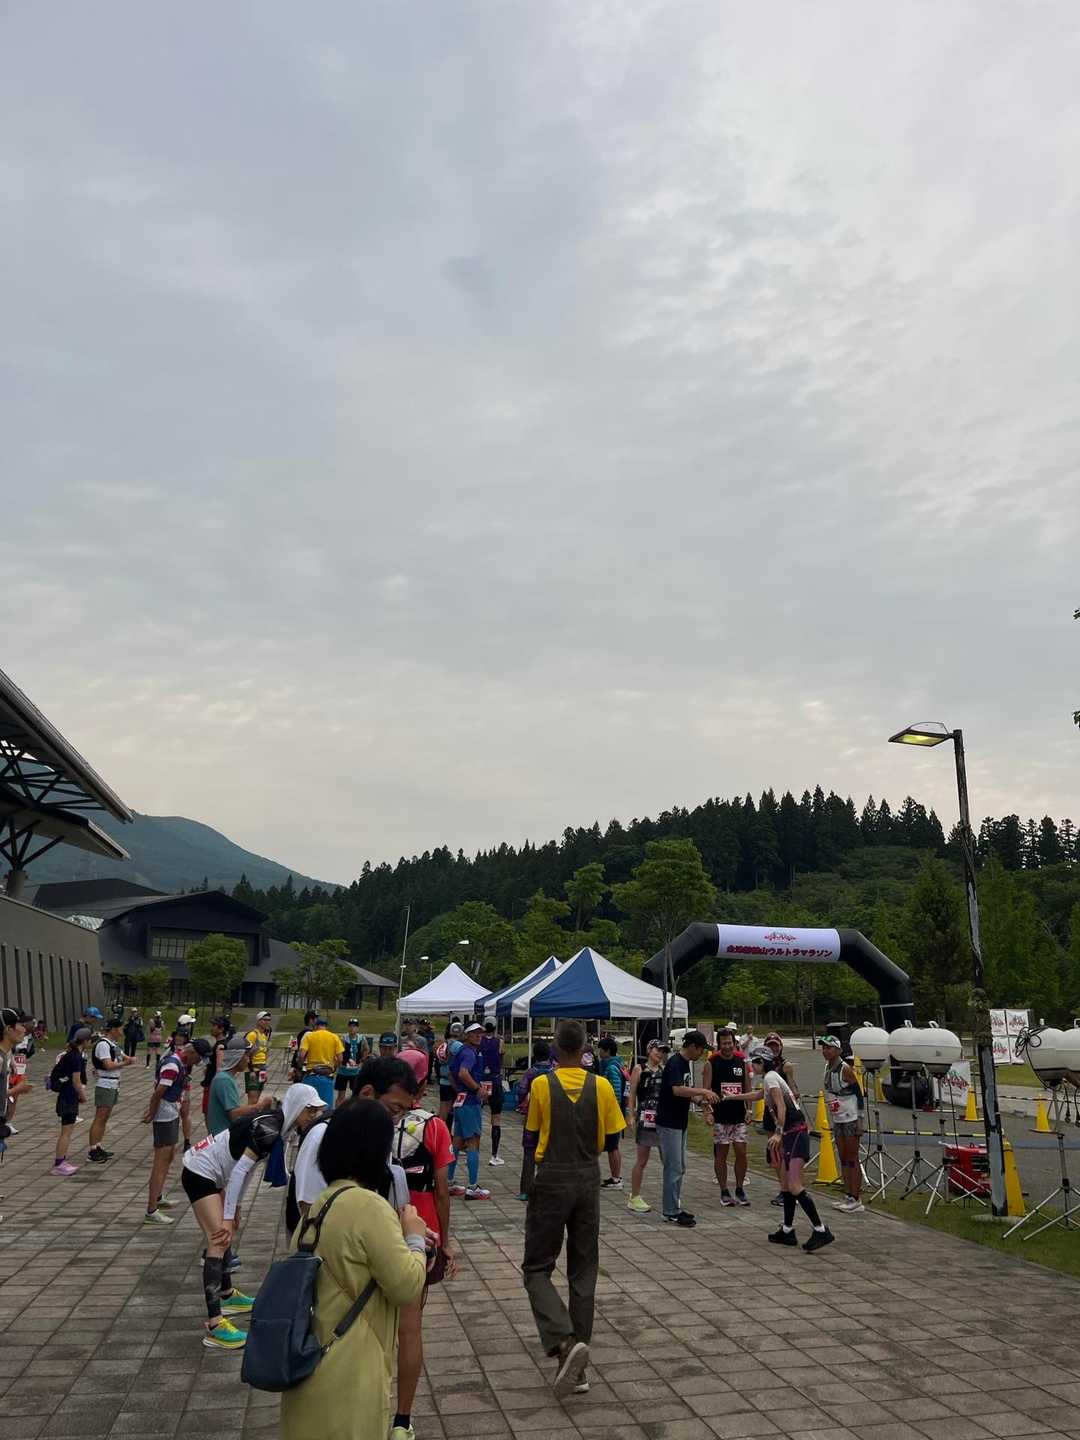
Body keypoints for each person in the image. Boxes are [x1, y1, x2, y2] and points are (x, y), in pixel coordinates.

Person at [279, 1101, 429, 1440]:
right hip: (350, 1373)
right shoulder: (368, 1205)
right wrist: (415, 1238)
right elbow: (406, 1285)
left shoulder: (319, 1206)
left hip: (307, 1366)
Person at [522, 1019, 625, 1397]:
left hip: (551, 1177)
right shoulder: (601, 1086)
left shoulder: (541, 1084)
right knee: (583, 1271)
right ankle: (578, 1369)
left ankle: (564, 1340)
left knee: (536, 1267)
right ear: (584, 1048)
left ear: (555, 1047)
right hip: (587, 1178)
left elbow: (532, 1134)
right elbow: (613, 1138)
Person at [182, 1083, 315, 1348]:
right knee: (219, 1238)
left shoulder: (278, 1125)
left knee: (226, 1231)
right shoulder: (269, 1129)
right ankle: (215, 1325)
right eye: (310, 1110)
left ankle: (227, 1294)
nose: (313, 1116)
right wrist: (228, 1215)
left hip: (212, 1172)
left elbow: (248, 1168)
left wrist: (236, 1206)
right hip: (200, 1173)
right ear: (298, 1107)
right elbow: (241, 1171)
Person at [389, 1047, 457, 1440]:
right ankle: (402, 1419)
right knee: (410, 1330)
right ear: (424, 1083)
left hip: (380, 1224)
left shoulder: (374, 1119)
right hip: (422, 1230)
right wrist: (446, 1241)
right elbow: (443, 1190)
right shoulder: (434, 1126)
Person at [291, 1057, 420, 1229]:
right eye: (393, 1110)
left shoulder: (378, 1136)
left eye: (402, 1114)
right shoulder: (323, 1135)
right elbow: (310, 1209)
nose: (396, 1121)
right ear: (367, 1093)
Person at [741, 1048, 834, 1252]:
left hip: (795, 1133)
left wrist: (778, 1132)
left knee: (794, 1185)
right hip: (793, 1134)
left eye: (754, 1062)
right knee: (786, 1186)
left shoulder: (771, 1078)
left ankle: (820, 1229)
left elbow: (781, 1106)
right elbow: (758, 1095)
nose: (751, 1066)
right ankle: (787, 1230)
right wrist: (733, 1097)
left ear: (762, 1062)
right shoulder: (771, 1077)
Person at [142, 1036, 211, 1224]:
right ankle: (151, 1211)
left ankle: (157, 1197)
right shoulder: (173, 1065)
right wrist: (152, 1112)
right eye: (199, 1058)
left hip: (171, 1111)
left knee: (169, 1156)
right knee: (161, 1162)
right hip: (164, 1114)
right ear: (192, 1052)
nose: (198, 1063)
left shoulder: (180, 1063)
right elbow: (158, 1092)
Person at [655, 1030, 718, 1227]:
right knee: (673, 1167)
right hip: (669, 1122)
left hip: (680, 1122)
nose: (702, 1054)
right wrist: (703, 1091)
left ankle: (675, 1206)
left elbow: (684, 1092)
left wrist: (699, 1101)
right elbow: (676, 1089)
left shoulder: (685, 1064)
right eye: (700, 1050)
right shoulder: (675, 1062)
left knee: (680, 1166)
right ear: (692, 1046)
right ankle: (671, 1211)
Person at [703, 1028, 752, 1206]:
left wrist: (749, 1109)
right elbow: (706, 1090)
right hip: (720, 1116)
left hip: (739, 1115)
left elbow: (747, 1087)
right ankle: (724, 1190)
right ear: (719, 1045)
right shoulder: (711, 1063)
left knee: (741, 1151)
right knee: (721, 1153)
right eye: (724, 1043)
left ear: (734, 1043)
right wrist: (708, 1112)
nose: (727, 1047)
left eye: (730, 1043)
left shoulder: (741, 1061)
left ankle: (740, 1188)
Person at [820, 1034, 865, 1214]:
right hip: (838, 1118)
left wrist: (860, 1120)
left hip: (851, 1117)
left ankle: (856, 1197)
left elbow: (859, 1093)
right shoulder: (827, 1067)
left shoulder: (845, 1069)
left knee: (852, 1157)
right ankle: (848, 1195)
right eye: (823, 1048)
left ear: (838, 1050)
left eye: (829, 1048)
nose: (825, 1051)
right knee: (843, 1157)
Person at [447, 1021, 490, 1200]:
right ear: (466, 1035)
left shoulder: (461, 1051)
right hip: (470, 1102)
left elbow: (451, 1073)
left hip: (461, 1101)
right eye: (474, 1032)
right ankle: (472, 1187)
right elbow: (463, 1073)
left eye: (480, 1032)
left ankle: (449, 1181)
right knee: (473, 1141)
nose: (479, 1035)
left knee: (457, 1142)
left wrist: (459, 1090)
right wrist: (477, 1089)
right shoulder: (470, 1053)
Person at [625, 1039, 668, 1214]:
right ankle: (634, 1196)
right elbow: (632, 1093)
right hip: (645, 1116)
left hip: (662, 1117)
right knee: (642, 1159)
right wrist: (631, 1114)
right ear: (649, 1050)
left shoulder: (665, 1070)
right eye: (658, 1050)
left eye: (663, 1051)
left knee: (667, 1159)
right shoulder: (639, 1069)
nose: (660, 1054)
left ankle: (670, 1195)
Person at [87, 1016, 135, 1162]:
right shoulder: (103, 1044)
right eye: (120, 1028)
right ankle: (92, 1150)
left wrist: (128, 1060)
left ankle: (98, 1146)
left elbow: (124, 1057)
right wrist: (126, 1063)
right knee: (100, 1118)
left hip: (113, 1083)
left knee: (105, 1118)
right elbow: (108, 1065)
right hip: (105, 1083)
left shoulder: (113, 1044)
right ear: (113, 1029)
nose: (122, 1031)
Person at [208, 1035, 276, 1134]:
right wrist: (261, 1105)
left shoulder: (226, 1077)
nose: (248, 1060)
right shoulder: (224, 1080)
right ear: (237, 1056)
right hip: (223, 1138)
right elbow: (234, 1114)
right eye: (246, 1056)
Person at [516, 1041, 555, 1201]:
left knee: (529, 1151)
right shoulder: (554, 1073)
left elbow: (521, 1090)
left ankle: (525, 1190)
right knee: (549, 1150)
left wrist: (522, 1104)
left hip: (532, 1115)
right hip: (550, 1115)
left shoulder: (530, 1072)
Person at [50, 1028, 91, 1175]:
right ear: (85, 1041)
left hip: (65, 1096)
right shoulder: (76, 1057)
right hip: (68, 1097)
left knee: (66, 1131)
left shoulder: (71, 1054)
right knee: (66, 1133)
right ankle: (59, 1164)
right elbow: (76, 1080)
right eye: (90, 1039)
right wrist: (83, 1096)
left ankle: (61, 1161)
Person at [596, 1036, 627, 1190]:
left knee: (612, 1146)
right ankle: (615, 1177)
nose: (599, 1052)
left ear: (607, 1051)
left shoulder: (612, 1068)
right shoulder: (615, 1065)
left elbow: (616, 1093)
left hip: (611, 1114)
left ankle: (616, 1179)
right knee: (612, 1146)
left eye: (600, 1049)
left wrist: (609, 1111)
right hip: (612, 1113)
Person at [298, 1017, 344, 1107]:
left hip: (311, 1075)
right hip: (327, 1077)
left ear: (316, 1026)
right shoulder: (334, 1037)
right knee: (325, 1108)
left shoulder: (309, 1036)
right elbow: (340, 1059)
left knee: (308, 1107)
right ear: (326, 1027)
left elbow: (301, 1055)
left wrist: (301, 1065)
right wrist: (334, 1068)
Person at [480, 1020, 506, 1166]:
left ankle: (470, 1147)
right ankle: (494, 1155)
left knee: (476, 1113)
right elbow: (501, 1058)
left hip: (481, 1081)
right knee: (496, 1118)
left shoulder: (479, 1041)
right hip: (495, 1080)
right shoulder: (500, 1042)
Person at [335, 1018, 368, 1106]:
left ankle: (354, 1111)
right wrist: (339, 1062)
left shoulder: (361, 1038)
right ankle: (338, 1111)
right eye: (351, 1026)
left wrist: (362, 1059)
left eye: (354, 1026)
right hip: (343, 1070)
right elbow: (338, 1051)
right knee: (341, 1096)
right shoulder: (343, 1039)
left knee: (356, 1095)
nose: (352, 1028)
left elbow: (366, 1049)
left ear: (358, 1028)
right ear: (348, 1027)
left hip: (355, 1071)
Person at [434, 1022, 463, 1122]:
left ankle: (441, 1128)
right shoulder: (458, 1045)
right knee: (452, 1108)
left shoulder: (444, 1044)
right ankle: (446, 1129)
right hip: (453, 1081)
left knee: (443, 1107)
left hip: (443, 1080)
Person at [243, 1010, 273, 1099]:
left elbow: (264, 1054)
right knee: (252, 1100)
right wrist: (251, 1070)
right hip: (253, 1070)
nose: (267, 1022)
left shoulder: (264, 1036)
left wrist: (265, 1071)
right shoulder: (252, 1035)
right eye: (264, 1020)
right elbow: (246, 1054)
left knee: (257, 1099)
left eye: (269, 1020)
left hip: (262, 1070)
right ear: (258, 1021)